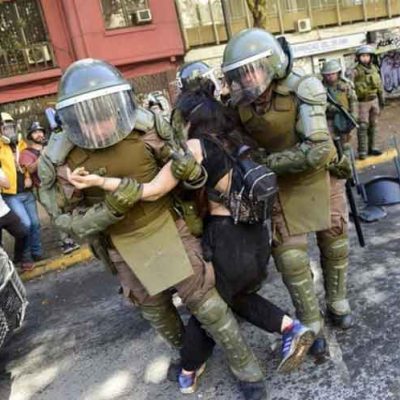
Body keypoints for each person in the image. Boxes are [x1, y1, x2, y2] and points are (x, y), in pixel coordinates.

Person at [39, 58, 268, 400]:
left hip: (169, 227)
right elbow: (65, 221)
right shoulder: (58, 159)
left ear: (118, 104)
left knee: (207, 305)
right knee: (157, 312)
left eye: (104, 112)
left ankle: (247, 370)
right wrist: (110, 209)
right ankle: (192, 357)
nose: (99, 125)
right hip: (120, 244)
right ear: (72, 118)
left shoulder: (148, 128)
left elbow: (188, 174)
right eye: (87, 116)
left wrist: (191, 174)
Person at [221, 28, 353, 355]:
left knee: (335, 240)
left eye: (253, 69)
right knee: (290, 257)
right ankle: (310, 320)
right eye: (241, 73)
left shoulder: (303, 87)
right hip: (280, 186)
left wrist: (266, 162)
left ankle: (337, 300)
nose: (248, 78)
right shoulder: (238, 104)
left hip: (319, 175)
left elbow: (318, 150)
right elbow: (232, 144)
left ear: (272, 64)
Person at [20, 121, 80, 255]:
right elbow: (30, 169)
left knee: (67, 208)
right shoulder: (26, 153)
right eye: (35, 132)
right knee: (55, 213)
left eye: (40, 131)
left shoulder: (49, 146)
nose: (39, 134)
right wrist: (43, 154)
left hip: (57, 182)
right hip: (43, 187)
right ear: (30, 136)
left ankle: (70, 236)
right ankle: (65, 242)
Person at [0, 112, 42, 269]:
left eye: (11, 127)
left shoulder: (21, 143)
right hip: (11, 195)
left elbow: (24, 164)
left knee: (35, 223)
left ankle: (37, 252)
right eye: (5, 128)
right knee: (26, 224)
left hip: (26, 191)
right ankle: (26, 256)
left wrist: (28, 176)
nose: (9, 130)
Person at [353, 45, 385, 159]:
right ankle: (362, 151)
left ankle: (373, 147)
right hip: (362, 102)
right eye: (363, 56)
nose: (365, 58)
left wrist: (382, 97)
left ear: (371, 57)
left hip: (374, 100)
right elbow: (349, 86)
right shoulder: (355, 71)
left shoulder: (374, 68)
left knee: (374, 125)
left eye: (367, 56)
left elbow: (379, 84)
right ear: (358, 58)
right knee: (363, 126)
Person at [321, 59, 358, 146]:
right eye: (328, 75)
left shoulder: (346, 84)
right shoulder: (321, 88)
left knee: (345, 141)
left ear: (338, 73)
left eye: (333, 74)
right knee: (332, 141)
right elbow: (320, 102)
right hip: (330, 118)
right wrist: (330, 107)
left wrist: (354, 114)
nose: (330, 76)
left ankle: (346, 153)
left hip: (344, 117)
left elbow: (353, 100)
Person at [0, 166, 29, 265]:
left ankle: (18, 259)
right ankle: (5, 266)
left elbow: (7, 184)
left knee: (23, 233)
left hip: (4, 211)